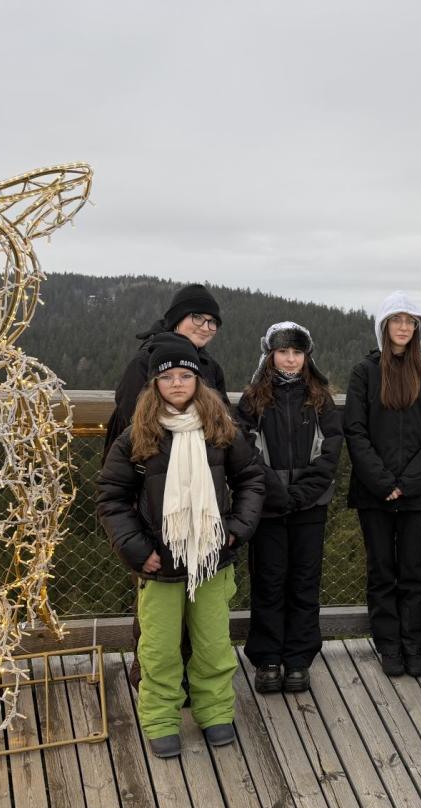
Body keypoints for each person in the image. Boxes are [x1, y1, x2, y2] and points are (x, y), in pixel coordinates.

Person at [97, 334, 264, 758]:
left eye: (184, 376)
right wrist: (137, 551)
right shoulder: (138, 435)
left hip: (212, 559)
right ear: (154, 383)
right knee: (158, 648)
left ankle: (215, 711)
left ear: (197, 381)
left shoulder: (220, 429)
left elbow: (250, 480)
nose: (176, 383)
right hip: (160, 563)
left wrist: (235, 529)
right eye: (167, 376)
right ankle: (160, 718)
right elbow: (112, 498)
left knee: (213, 644)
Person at [344, 291, 421, 678]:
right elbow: (355, 431)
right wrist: (384, 482)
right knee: (382, 571)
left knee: (414, 571)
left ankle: (413, 645)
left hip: (416, 495)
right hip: (374, 493)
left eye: (410, 321)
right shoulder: (365, 372)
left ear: (418, 328)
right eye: (397, 320)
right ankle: (389, 645)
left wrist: (407, 482)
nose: (404, 327)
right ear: (384, 326)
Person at [237, 322, 343, 694]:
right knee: (268, 581)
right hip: (267, 508)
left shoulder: (320, 400)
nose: (291, 359)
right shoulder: (253, 401)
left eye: (297, 352)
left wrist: (299, 495)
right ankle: (267, 658)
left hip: (310, 507)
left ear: (307, 357)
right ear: (270, 355)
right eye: (283, 351)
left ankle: (298, 659)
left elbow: (329, 455)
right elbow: (246, 453)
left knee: (304, 582)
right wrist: (277, 494)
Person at [103, 283, 231, 461]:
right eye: (197, 317)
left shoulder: (210, 366)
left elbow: (223, 415)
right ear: (177, 318)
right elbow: (131, 416)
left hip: (201, 462)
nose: (205, 327)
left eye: (212, 322)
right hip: (144, 462)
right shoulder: (146, 360)